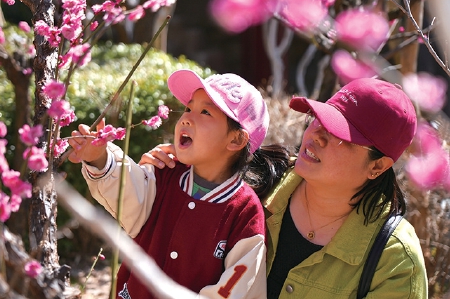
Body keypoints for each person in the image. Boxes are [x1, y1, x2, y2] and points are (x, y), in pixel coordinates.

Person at [140, 77, 429, 298]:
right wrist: (152, 185)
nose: (316, 135)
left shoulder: (394, 261)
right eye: (319, 118)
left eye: (340, 135)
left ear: (377, 167)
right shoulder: (252, 181)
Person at [67, 69, 289, 298]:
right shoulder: (165, 174)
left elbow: (237, 288)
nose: (186, 118)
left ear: (236, 139)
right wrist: (100, 157)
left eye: (205, 112)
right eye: (188, 108)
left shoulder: (244, 211)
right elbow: (127, 194)